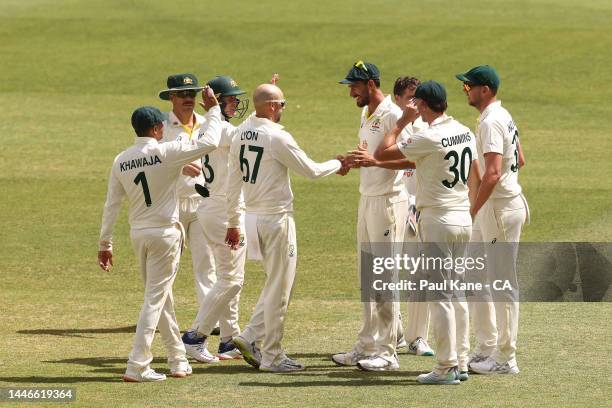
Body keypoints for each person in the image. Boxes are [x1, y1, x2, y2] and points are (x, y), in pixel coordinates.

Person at [97, 93, 222, 382]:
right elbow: (210, 143)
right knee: (155, 299)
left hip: (138, 234)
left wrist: (105, 243)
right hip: (165, 234)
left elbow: (111, 204)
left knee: (161, 297)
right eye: (162, 126)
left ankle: (178, 360)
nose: (165, 129)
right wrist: (214, 111)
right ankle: (137, 365)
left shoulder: (121, 159)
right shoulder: (166, 151)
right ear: (155, 129)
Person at [226, 83, 343, 372]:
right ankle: (272, 357)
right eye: (281, 104)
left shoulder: (240, 131)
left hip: (252, 219)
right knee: (280, 289)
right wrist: (338, 162)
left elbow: (232, 183)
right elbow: (311, 171)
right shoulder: (277, 137)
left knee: (275, 283)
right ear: (270, 106)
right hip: (276, 220)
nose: (283, 109)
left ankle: (250, 335)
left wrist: (233, 221)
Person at [374, 80, 480, 384]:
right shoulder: (464, 130)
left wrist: (402, 122)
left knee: (441, 294)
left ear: (421, 105)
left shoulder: (429, 136)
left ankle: (446, 367)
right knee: (456, 292)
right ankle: (459, 360)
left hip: (437, 220)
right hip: (462, 217)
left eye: (415, 104)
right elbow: (474, 173)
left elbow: (383, 153)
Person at [332, 61, 413, 372]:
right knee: (368, 277)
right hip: (366, 200)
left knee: (385, 277)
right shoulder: (365, 112)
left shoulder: (393, 115)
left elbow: (411, 158)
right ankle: (367, 344)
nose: (350, 91)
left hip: (389, 204)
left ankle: (388, 351)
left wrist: (374, 160)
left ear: (370, 84)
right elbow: (369, 153)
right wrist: (353, 160)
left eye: (354, 85)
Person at [455, 65, 529, 375]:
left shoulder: (491, 122)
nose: (466, 90)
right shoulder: (501, 115)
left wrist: (471, 209)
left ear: (485, 90)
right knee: (474, 275)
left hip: (499, 209)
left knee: (501, 283)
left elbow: (494, 173)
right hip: (498, 207)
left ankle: (505, 358)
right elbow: (520, 160)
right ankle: (486, 347)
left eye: (469, 86)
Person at [180, 75, 251, 362]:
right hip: (223, 209)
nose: (236, 102)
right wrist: (268, 109)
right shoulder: (221, 130)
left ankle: (228, 341)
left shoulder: (210, 126)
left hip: (213, 205)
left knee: (228, 276)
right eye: (231, 98)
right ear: (217, 101)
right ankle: (195, 336)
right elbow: (251, 136)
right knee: (232, 280)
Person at [159, 73, 217, 326]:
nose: (187, 99)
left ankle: (209, 320)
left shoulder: (207, 123)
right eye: (182, 94)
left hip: (201, 202)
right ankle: (161, 315)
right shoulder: (159, 127)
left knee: (206, 263)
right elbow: (149, 160)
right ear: (171, 96)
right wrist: (179, 167)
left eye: (191, 94)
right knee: (167, 265)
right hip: (171, 203)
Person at [391, 76, 434, 357]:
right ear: (396, 99)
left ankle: (418, 337)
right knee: (389, 272)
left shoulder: (426, 127)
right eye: (408, 97)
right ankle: (392, 333)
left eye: (417, 98)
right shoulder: (388, 123)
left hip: (420, 208)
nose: (414, 103)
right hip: (394, 205)